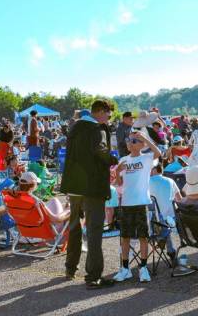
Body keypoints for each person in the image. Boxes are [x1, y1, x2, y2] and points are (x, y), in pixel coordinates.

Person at [60, 100, 119, 289]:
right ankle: (93, 276)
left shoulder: (75, 127)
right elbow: (100, 151)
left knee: (75, 227)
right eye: (108, 114)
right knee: (94, 231)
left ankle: (70, 268)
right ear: (100, 112)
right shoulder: (97, 129)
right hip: (91, 186)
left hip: (74, 186)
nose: (109, 118)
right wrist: (114, 160)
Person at [112, 130, 162, 283]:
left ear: (141, 145)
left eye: (134, 141)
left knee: (143, 237)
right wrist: (118, 173)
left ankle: (143, 268)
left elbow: (158, 152)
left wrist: (145, 138)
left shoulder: (146, 158)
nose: (130, 143)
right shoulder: (123, 159)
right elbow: (119, 185)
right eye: (129, 140)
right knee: (125, 237)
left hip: (141, 203)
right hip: (126, 203)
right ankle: (125, 269)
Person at [149, 163, 181, 261]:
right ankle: (170, 250)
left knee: (155, 217)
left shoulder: (147, 182)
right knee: (166, 220)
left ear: (154, 170)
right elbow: (179, 199)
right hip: (171, 221)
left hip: (154, 224)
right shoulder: (170, 181)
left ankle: (159, 241)